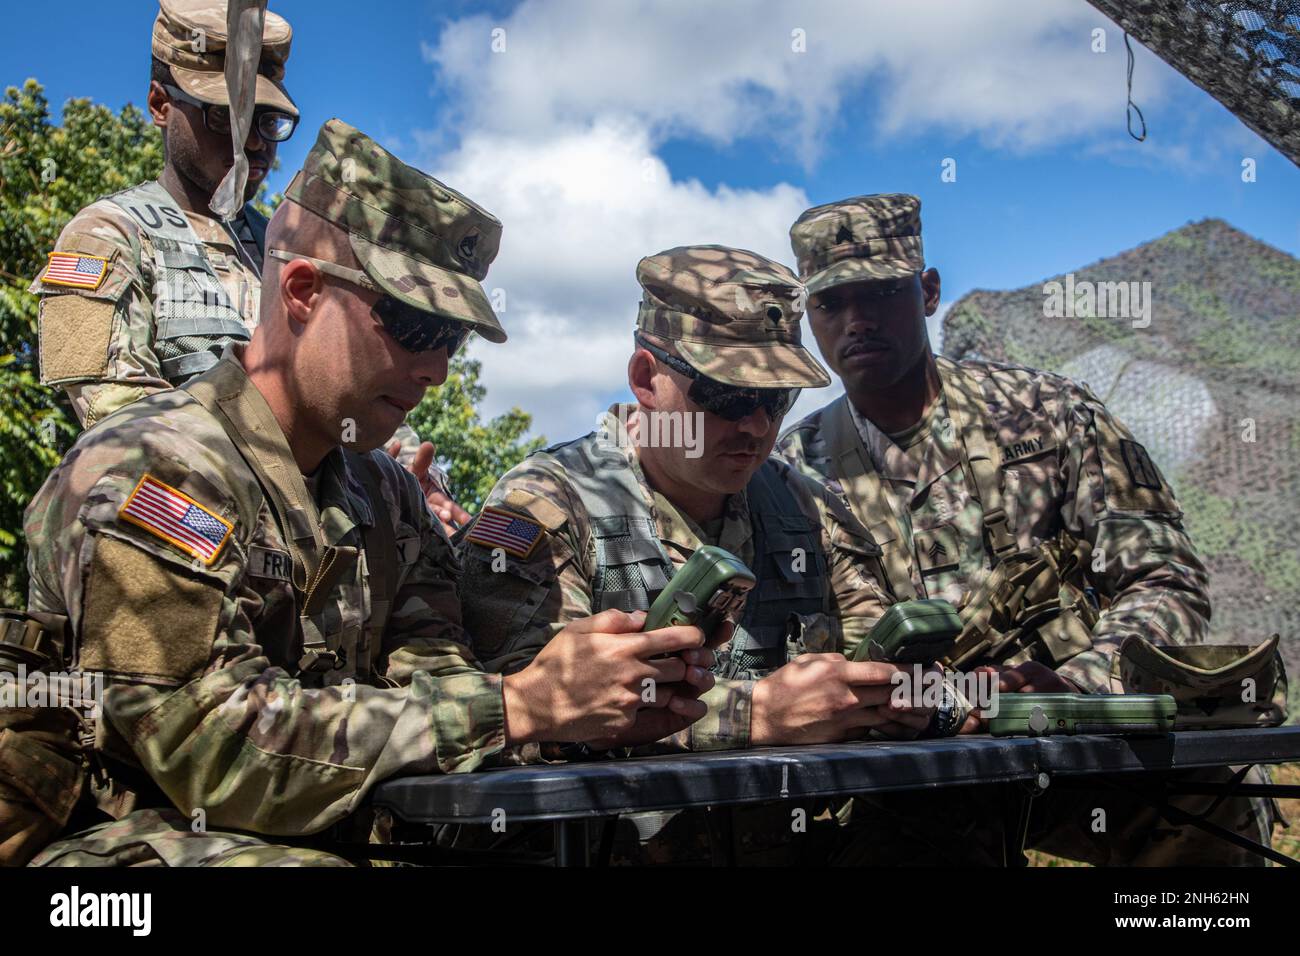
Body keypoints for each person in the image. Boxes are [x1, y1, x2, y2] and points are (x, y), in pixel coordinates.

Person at [16, 119, 712, 867]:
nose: (437, 370)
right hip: (117, 847)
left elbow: (435, 684)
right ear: (303, 291)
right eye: (414, 327)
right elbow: (204, 750)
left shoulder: (385, 495)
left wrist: (572, 709)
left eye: (453, 340)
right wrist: (515, 705)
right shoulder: (159, 469)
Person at [776, 192, 1277, 865]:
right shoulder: (790, 470)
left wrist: (1082, 684)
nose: (857, 320)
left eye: (881, 293)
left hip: (1083, 745)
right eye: (831, 304)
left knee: (1213, 797)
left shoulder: (1047, 413)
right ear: (809, 318)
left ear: (927, 293)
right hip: (912, 771)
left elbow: (1163, 575)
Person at [456, 244, 945, 863]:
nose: (756, 427)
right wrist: (756, 716)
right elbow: (519, 728)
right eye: (727, 396)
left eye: (777, 400)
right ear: (644, 379)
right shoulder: (546, 507)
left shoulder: (807, 507)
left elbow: (877, 645)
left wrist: (898, 698)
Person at [31, 0, 298, 428]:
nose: (253, 143)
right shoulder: (107, 235)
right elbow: (125, 423)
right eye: (225, 116)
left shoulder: (285, 251)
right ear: (160, 105)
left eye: (270, 122)